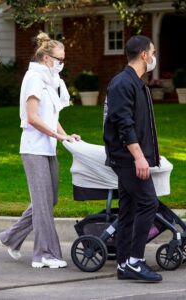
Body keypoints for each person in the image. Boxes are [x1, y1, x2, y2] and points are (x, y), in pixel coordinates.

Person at [0, 31, 80, 268]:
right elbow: (33, 117)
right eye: (60, 59)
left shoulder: (50, 81)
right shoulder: (34, 78)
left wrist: (64, 135)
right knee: (42, 202)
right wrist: (55, 135)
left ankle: (10, 237)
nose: (62, 64)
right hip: (34, 149)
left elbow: (51, 116)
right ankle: (44, 254)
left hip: (48, 148)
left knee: (50, 199)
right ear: (46, 58)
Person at [103, 35, 162, 282]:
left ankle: (124, 264)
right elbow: (123, 124)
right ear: (144, 55)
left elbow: (138, 124)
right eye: (153, 52)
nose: (154, 57)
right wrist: (139, 157)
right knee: (149, 203)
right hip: (127, 158)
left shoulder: (136, 83)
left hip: (133, 156)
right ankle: (135, 261)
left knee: (128, 210)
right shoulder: (122, 84)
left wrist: (149, 155)